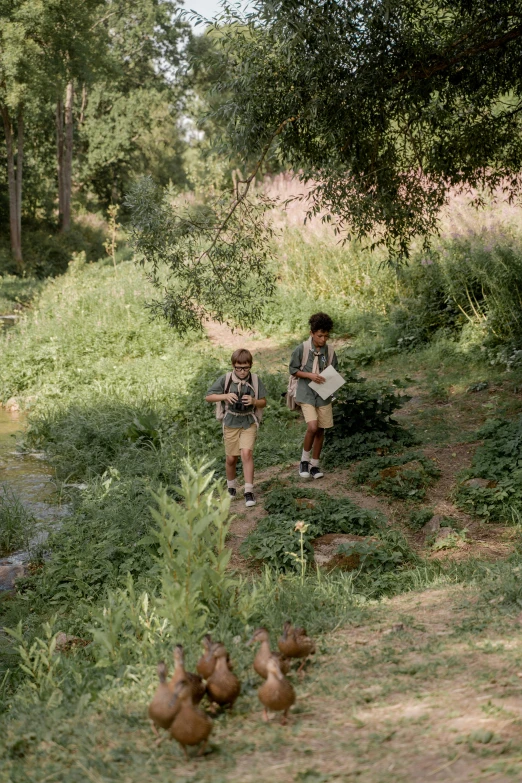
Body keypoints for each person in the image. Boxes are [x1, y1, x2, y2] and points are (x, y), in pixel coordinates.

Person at [205, 348, 267, 507]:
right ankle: (231, 487)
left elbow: (263, 402)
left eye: (245, 368)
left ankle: (248, 491)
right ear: (233, 366)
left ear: (251, 366)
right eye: (238, 368)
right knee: (231, 458)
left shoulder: (255, 379)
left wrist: (253, 401)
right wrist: (225, 396)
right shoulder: (226, 379)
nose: (241, 371)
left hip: (248, 422)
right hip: (231, 422)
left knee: (246, 454)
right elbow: (209, 397)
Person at [289, 312, 338, 479]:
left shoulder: (330, 351)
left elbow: (334, 371)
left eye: (326, 336)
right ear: (312, 333)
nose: (323, 339)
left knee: (321, 430)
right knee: (312, 427)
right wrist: (310, 375)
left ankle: (315, 465)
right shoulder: (301, 349)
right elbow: (293, 369)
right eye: (319, 336)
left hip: (323, 394)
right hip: (306, 392)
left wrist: (329, 382)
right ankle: (304, 460)